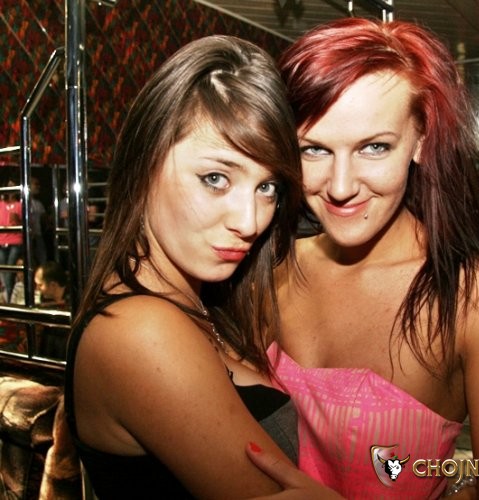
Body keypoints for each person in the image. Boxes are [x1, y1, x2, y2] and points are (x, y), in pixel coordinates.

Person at [255, 18, 479, 499]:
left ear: (421, 139)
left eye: (374, 147)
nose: (340, 186)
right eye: (314, 149)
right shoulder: (276, 268)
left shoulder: (477, 300)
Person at [64, 35, 337, 498]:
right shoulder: (140, 331)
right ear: (146, 162)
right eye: (215, 178)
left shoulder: (205, 304)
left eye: (267, 187)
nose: (250, 221)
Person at [0, 178, 23, 302]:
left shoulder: (20, 205)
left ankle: (9, 300)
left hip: (15, 240)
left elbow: (26, 223)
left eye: (13, 187)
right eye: (8, 186)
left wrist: (17, 220)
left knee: (9, 271)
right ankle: (7, 297)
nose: (10, 189)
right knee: (3, 270)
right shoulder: (1, 204)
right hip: (2, 240)